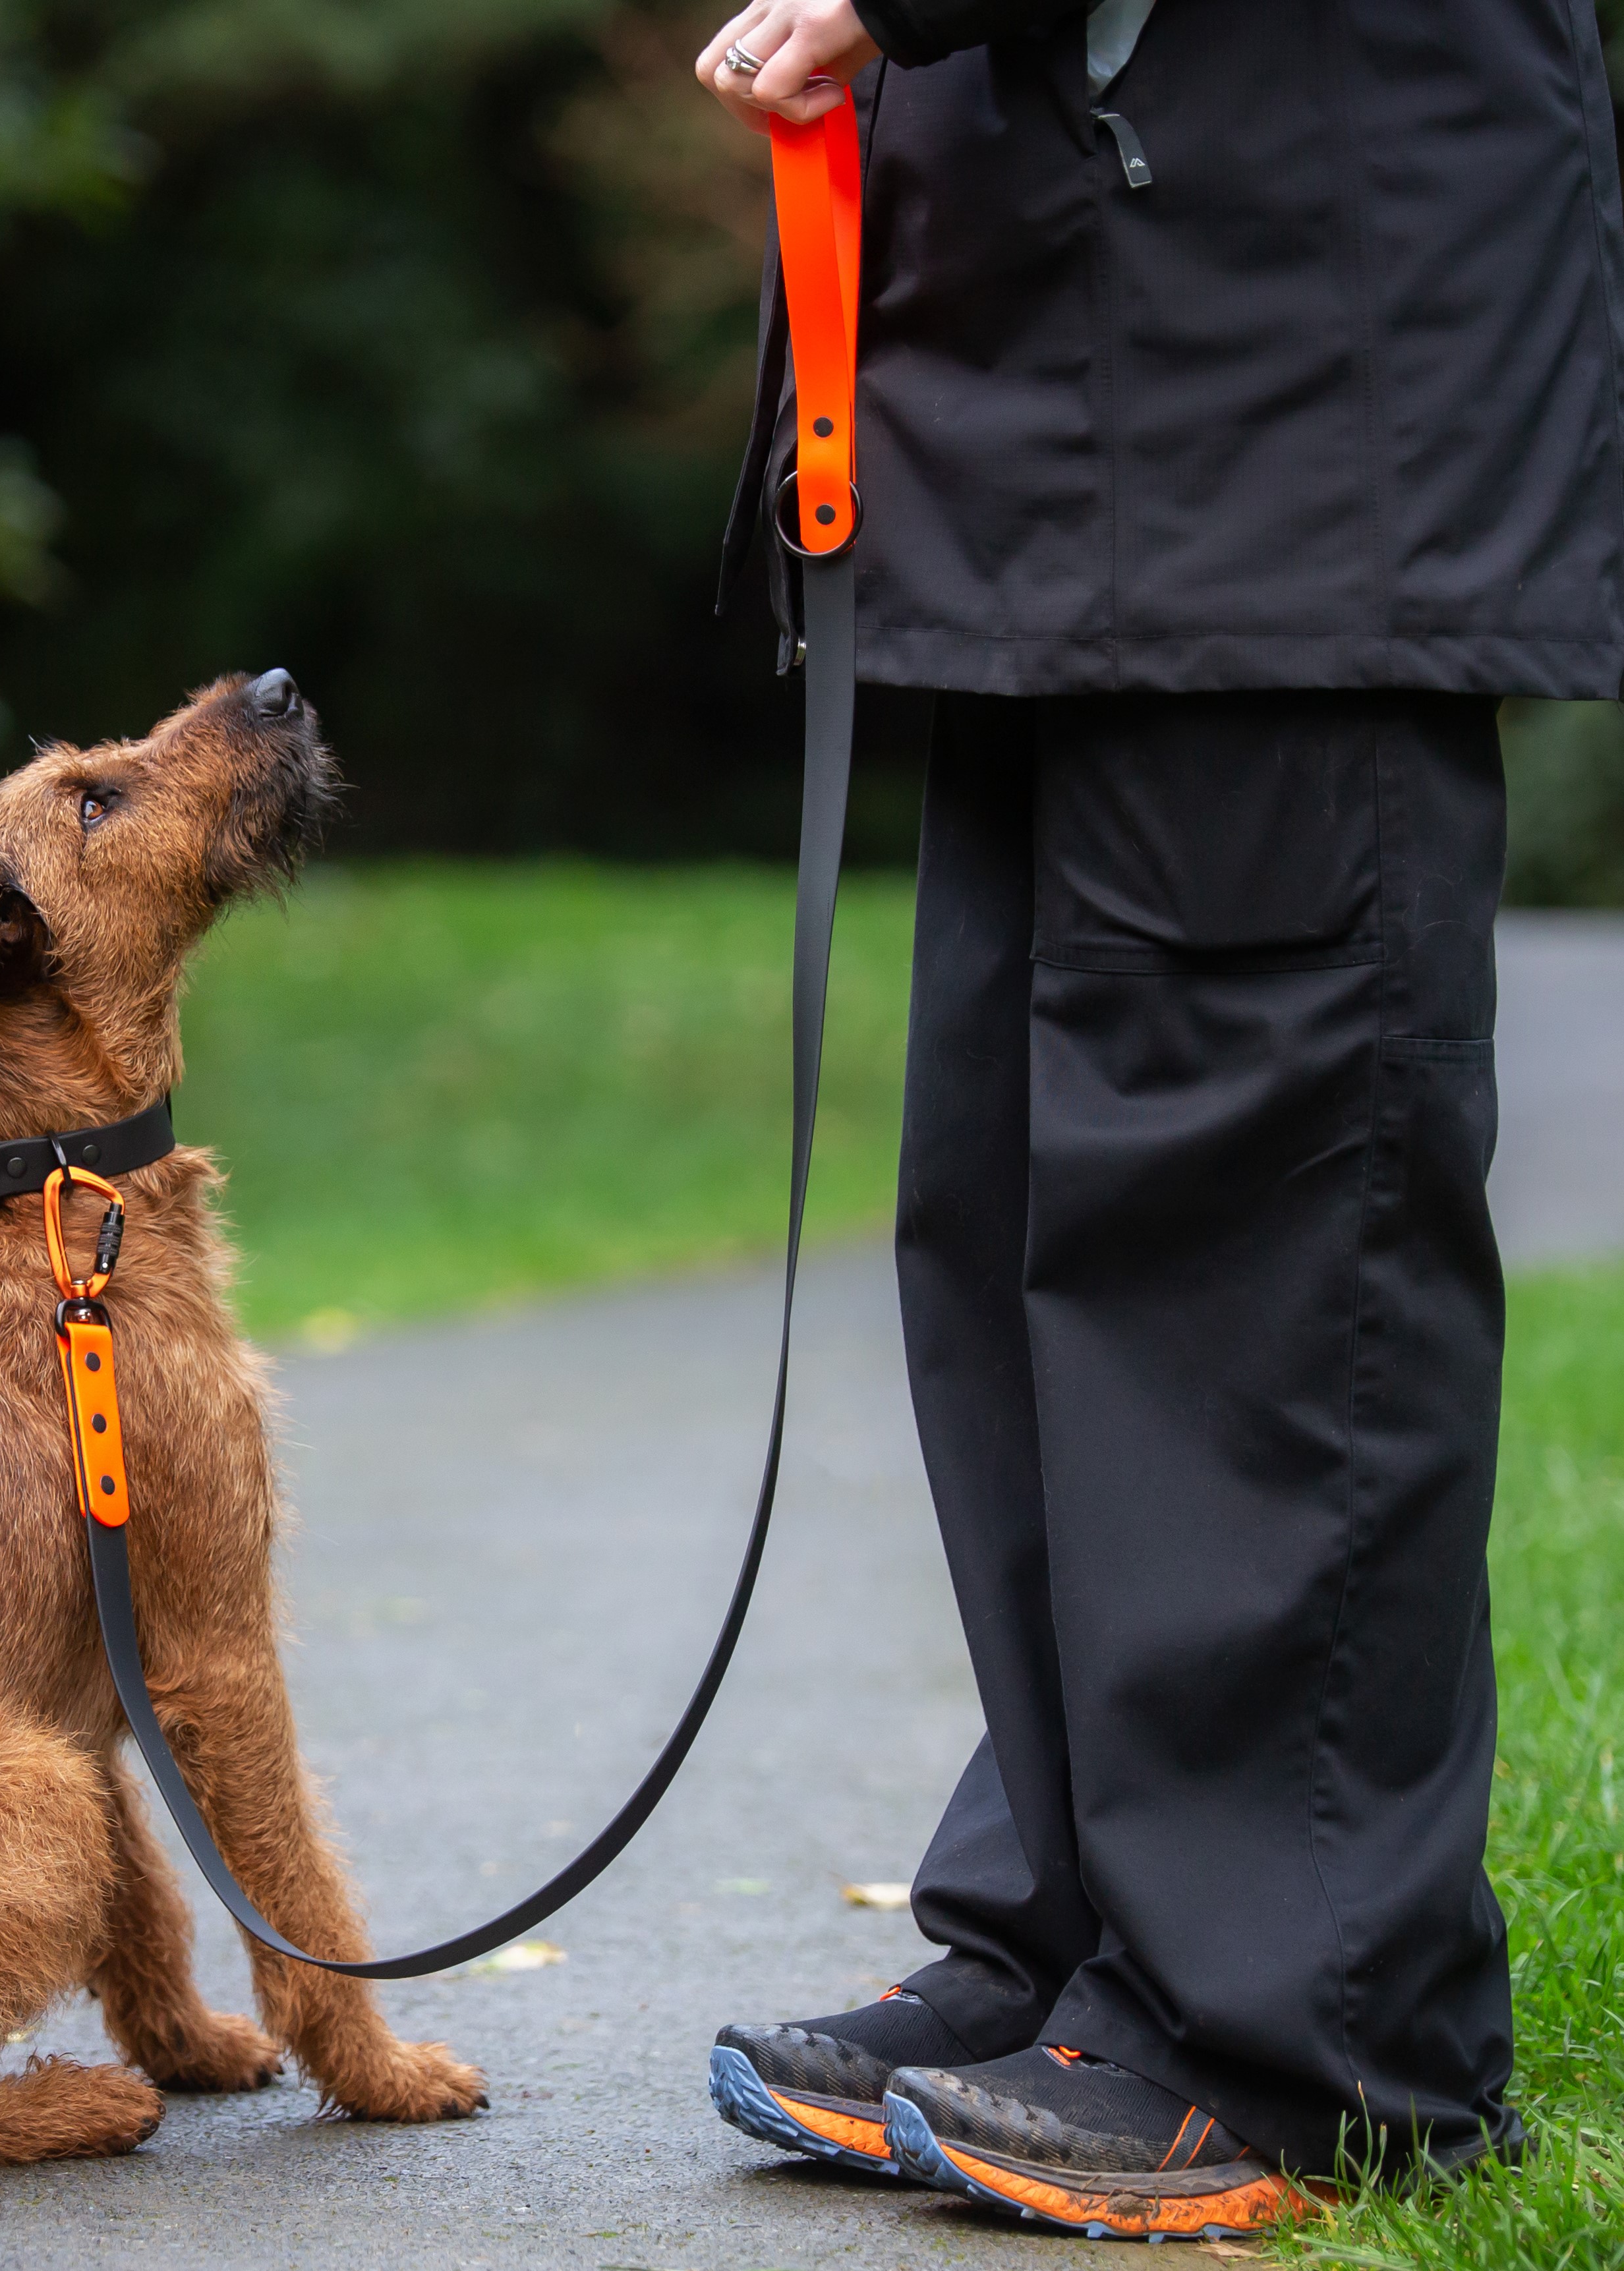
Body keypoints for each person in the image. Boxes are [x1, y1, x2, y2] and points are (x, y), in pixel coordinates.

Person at [693, 0, 1624, 2238]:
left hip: (1281, 405)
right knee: (1017, 1220)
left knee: (1248, 1248)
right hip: (1069, 407)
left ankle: (1299, 2035)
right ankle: (1079, 1935)